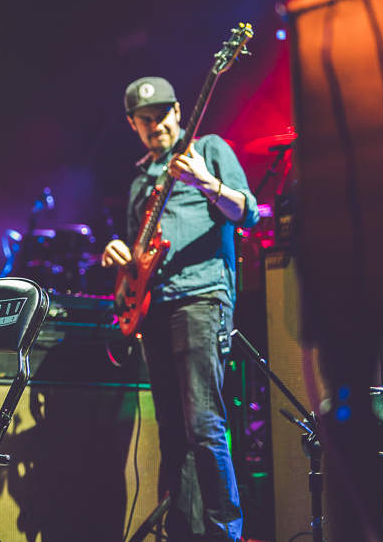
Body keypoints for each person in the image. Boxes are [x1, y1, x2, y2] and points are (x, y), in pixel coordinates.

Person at [101, 77, 258, 541]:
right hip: (156, 311)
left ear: (177, 112)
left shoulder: (207, 149)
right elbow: (138, 259)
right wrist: (121, 256)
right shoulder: (138, 184)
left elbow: (248, 212)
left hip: (202, 298)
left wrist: (205, 183)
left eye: (162, 115)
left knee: (204, 425)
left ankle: (224, 533)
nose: (156, 126)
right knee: (172, 430)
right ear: (133, 124)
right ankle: (185, 533)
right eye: (144, 120)